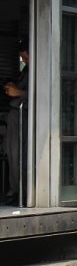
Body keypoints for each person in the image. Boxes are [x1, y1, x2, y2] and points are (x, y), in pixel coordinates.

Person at [3, 38, 29, 205]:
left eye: (26, 57)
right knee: (12, 153)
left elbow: (38, 93)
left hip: (25, 115)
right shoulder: (26, 70)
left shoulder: (40, 68)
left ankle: (24, 190)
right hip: (15, 114)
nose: (25, 61)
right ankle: (15, 189)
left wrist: (18, 92)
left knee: (22, 155)